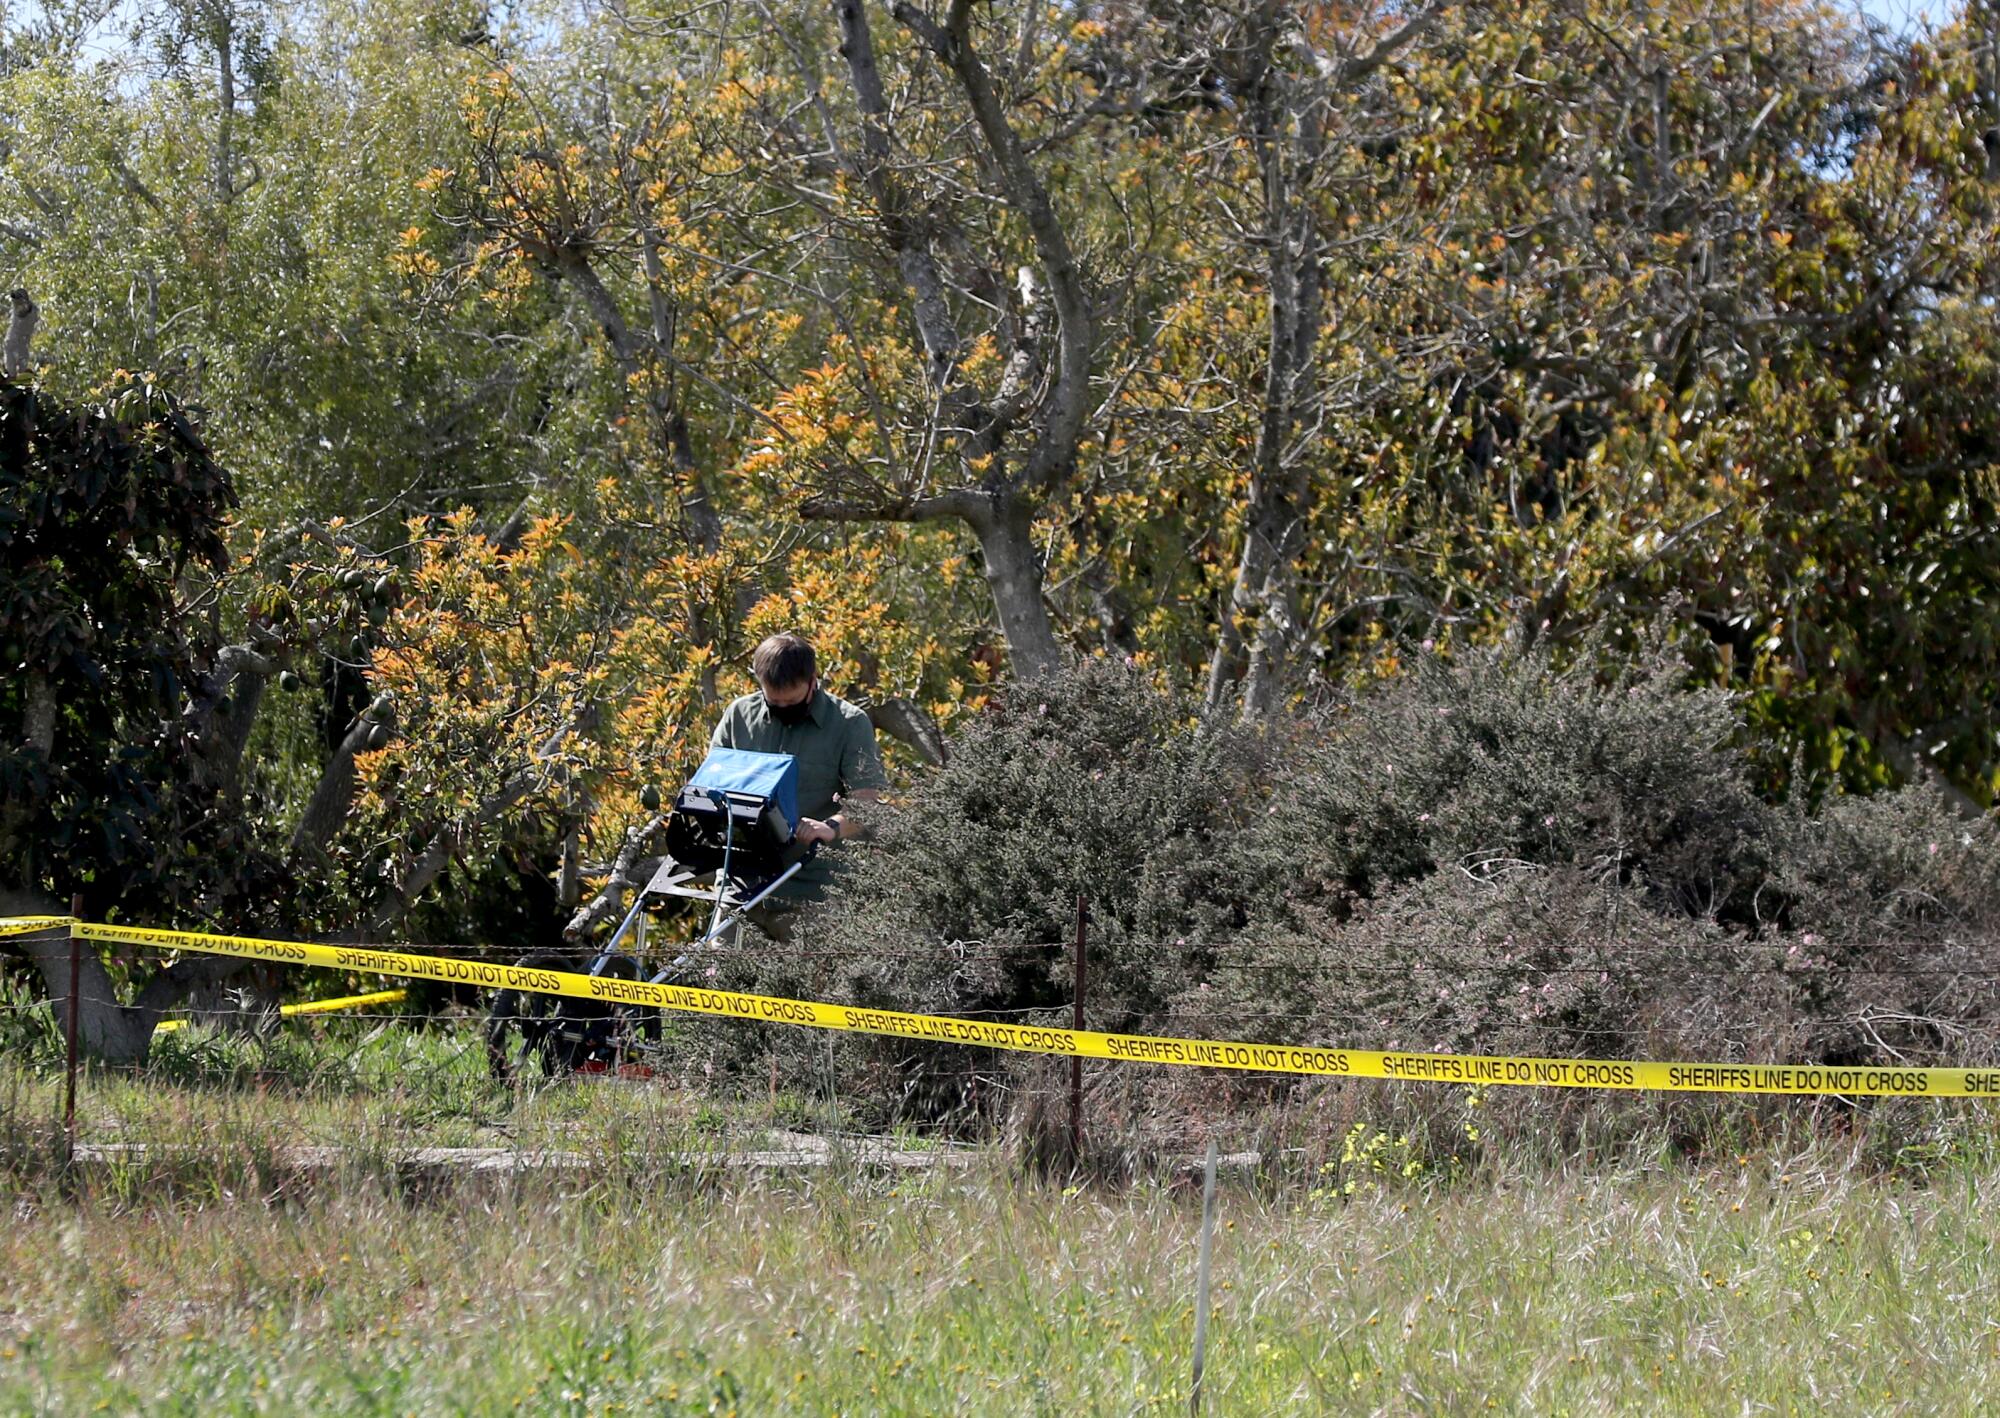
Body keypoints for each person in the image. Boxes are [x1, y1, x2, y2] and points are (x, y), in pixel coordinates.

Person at [708, 632, 887, 934]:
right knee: (715, 976)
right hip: (739, 889)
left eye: (791, 702)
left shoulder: (849, 723)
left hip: (812, 895)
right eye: (774, 702)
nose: (783, 709)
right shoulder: (738, 716)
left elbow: (867, 805)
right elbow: (711, 787)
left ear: (813, 680)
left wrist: (827, 827)